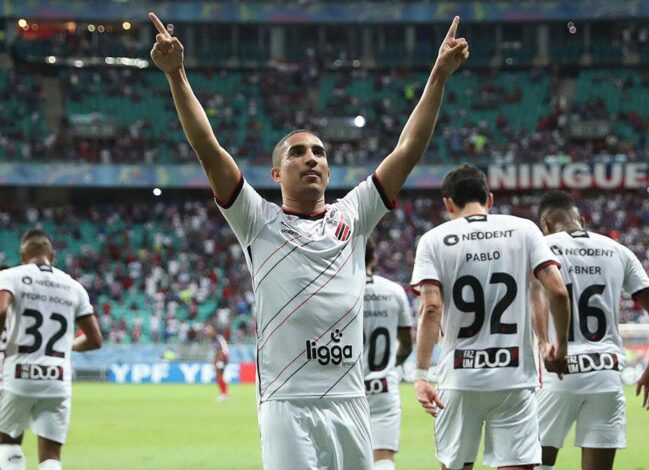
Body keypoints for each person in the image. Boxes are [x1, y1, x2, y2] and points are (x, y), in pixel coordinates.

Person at [148, 11, 468, 469]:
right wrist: (177, 74)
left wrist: (438, 74)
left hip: (350, 399)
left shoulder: (353, 215)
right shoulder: (256, 219)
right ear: (277, 172)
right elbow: (208, 146)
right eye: (298, 152)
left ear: (330, 170)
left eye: (319, 151)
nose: (311, 158)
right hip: (287, 402)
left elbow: (408, 149)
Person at [410, 165, 570, 470]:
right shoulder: (525, 230)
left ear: (448, 203)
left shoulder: (433, 239)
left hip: (458, 379)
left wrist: (420, 374)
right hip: (513, 378)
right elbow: (558, 292)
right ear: (490, 199)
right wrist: (560, 348)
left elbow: (431, 308)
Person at [531, 190, 649, 470]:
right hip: (606, 374)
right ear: (581, 219)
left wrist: (546, 342)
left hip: (558, 370)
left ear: (545, 224)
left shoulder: (541, 247)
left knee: (535, 463)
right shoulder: (618, 251)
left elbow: (538, 296)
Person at [0, 230, 102, 470]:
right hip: (57, 378)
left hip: (19, 375)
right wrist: (68, 345)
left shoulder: (10, 276)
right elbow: (95, 339)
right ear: (52, 254)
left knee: (9, 443)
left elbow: (2, 310)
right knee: (51, 456)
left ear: (23, 254)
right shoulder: (73, 285)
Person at [362, 238, 413, 470]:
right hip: (383, 387)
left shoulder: (334, 292)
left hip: (347, 391)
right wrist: (391, 363)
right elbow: (406, 344)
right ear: (374, 258)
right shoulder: (394, 291)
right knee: (383, 460)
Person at [205, 324, 230, 401]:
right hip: (219, 359)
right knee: (219, 376)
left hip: (222, 358)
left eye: (209, 331)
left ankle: (224, 394)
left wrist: (219, 360)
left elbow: (222, 350)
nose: (209, 333)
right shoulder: (214, 339)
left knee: (219, 375)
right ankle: (224, 394)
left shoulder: (218, 338)